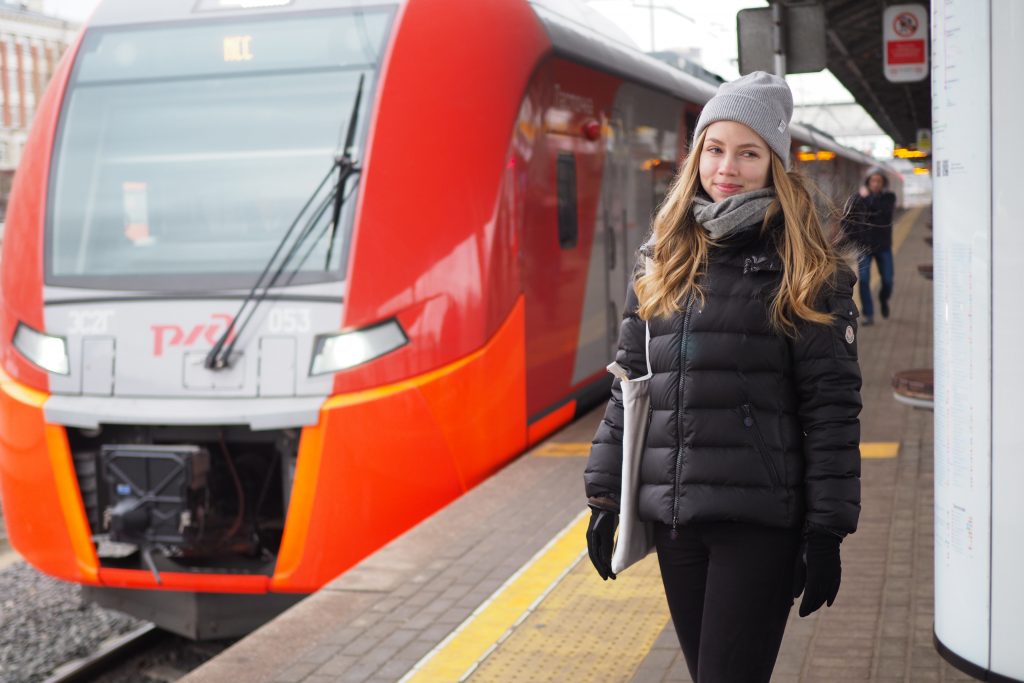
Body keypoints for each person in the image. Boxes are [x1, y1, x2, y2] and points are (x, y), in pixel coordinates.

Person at [583, 71, 862, 683]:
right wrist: (604, 497)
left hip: (758, 524)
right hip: (677, 522)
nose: (726, 166)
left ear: (774, 164)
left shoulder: (809, 269)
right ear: (697, 154)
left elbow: (831, 410)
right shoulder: (666, 256)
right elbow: (630, 382)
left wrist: (826, 532)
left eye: (748, 151)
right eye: (714, 148)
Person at [842, 168, 897, 325]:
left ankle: (883, 299)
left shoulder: (889, 197)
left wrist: (866, 198)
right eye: (872, 181)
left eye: (879, 181)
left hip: (883, 246)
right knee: (864, 281)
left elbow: (884, 212)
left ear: (883, 183)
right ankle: (868, 314)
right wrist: (855, 238)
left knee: (887, 281)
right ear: (868, 182)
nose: (875, 184)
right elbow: (846, 220)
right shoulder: (858, 199)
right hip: (864, 247)